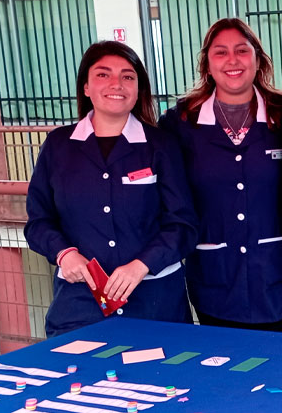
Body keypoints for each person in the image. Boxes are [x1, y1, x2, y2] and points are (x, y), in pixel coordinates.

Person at [25, 41, 197, 337]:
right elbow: (39, 222)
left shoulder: (161, 146)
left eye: (128, 76)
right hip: (80, 306)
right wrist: (64, 253)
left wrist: (142, 265)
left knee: (163, 383)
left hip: (156, 305)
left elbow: (184, 225)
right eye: (103, 75)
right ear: (86, 87)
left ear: (138, 88)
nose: (116, 84)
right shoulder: (58, 146)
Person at [159, 18, 282, 333]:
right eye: (220, 52)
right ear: (207, 65)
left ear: (258, 60)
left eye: (242, 50)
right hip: (215, 283)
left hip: (281, 283)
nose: (232, 60)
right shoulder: (181, 122)